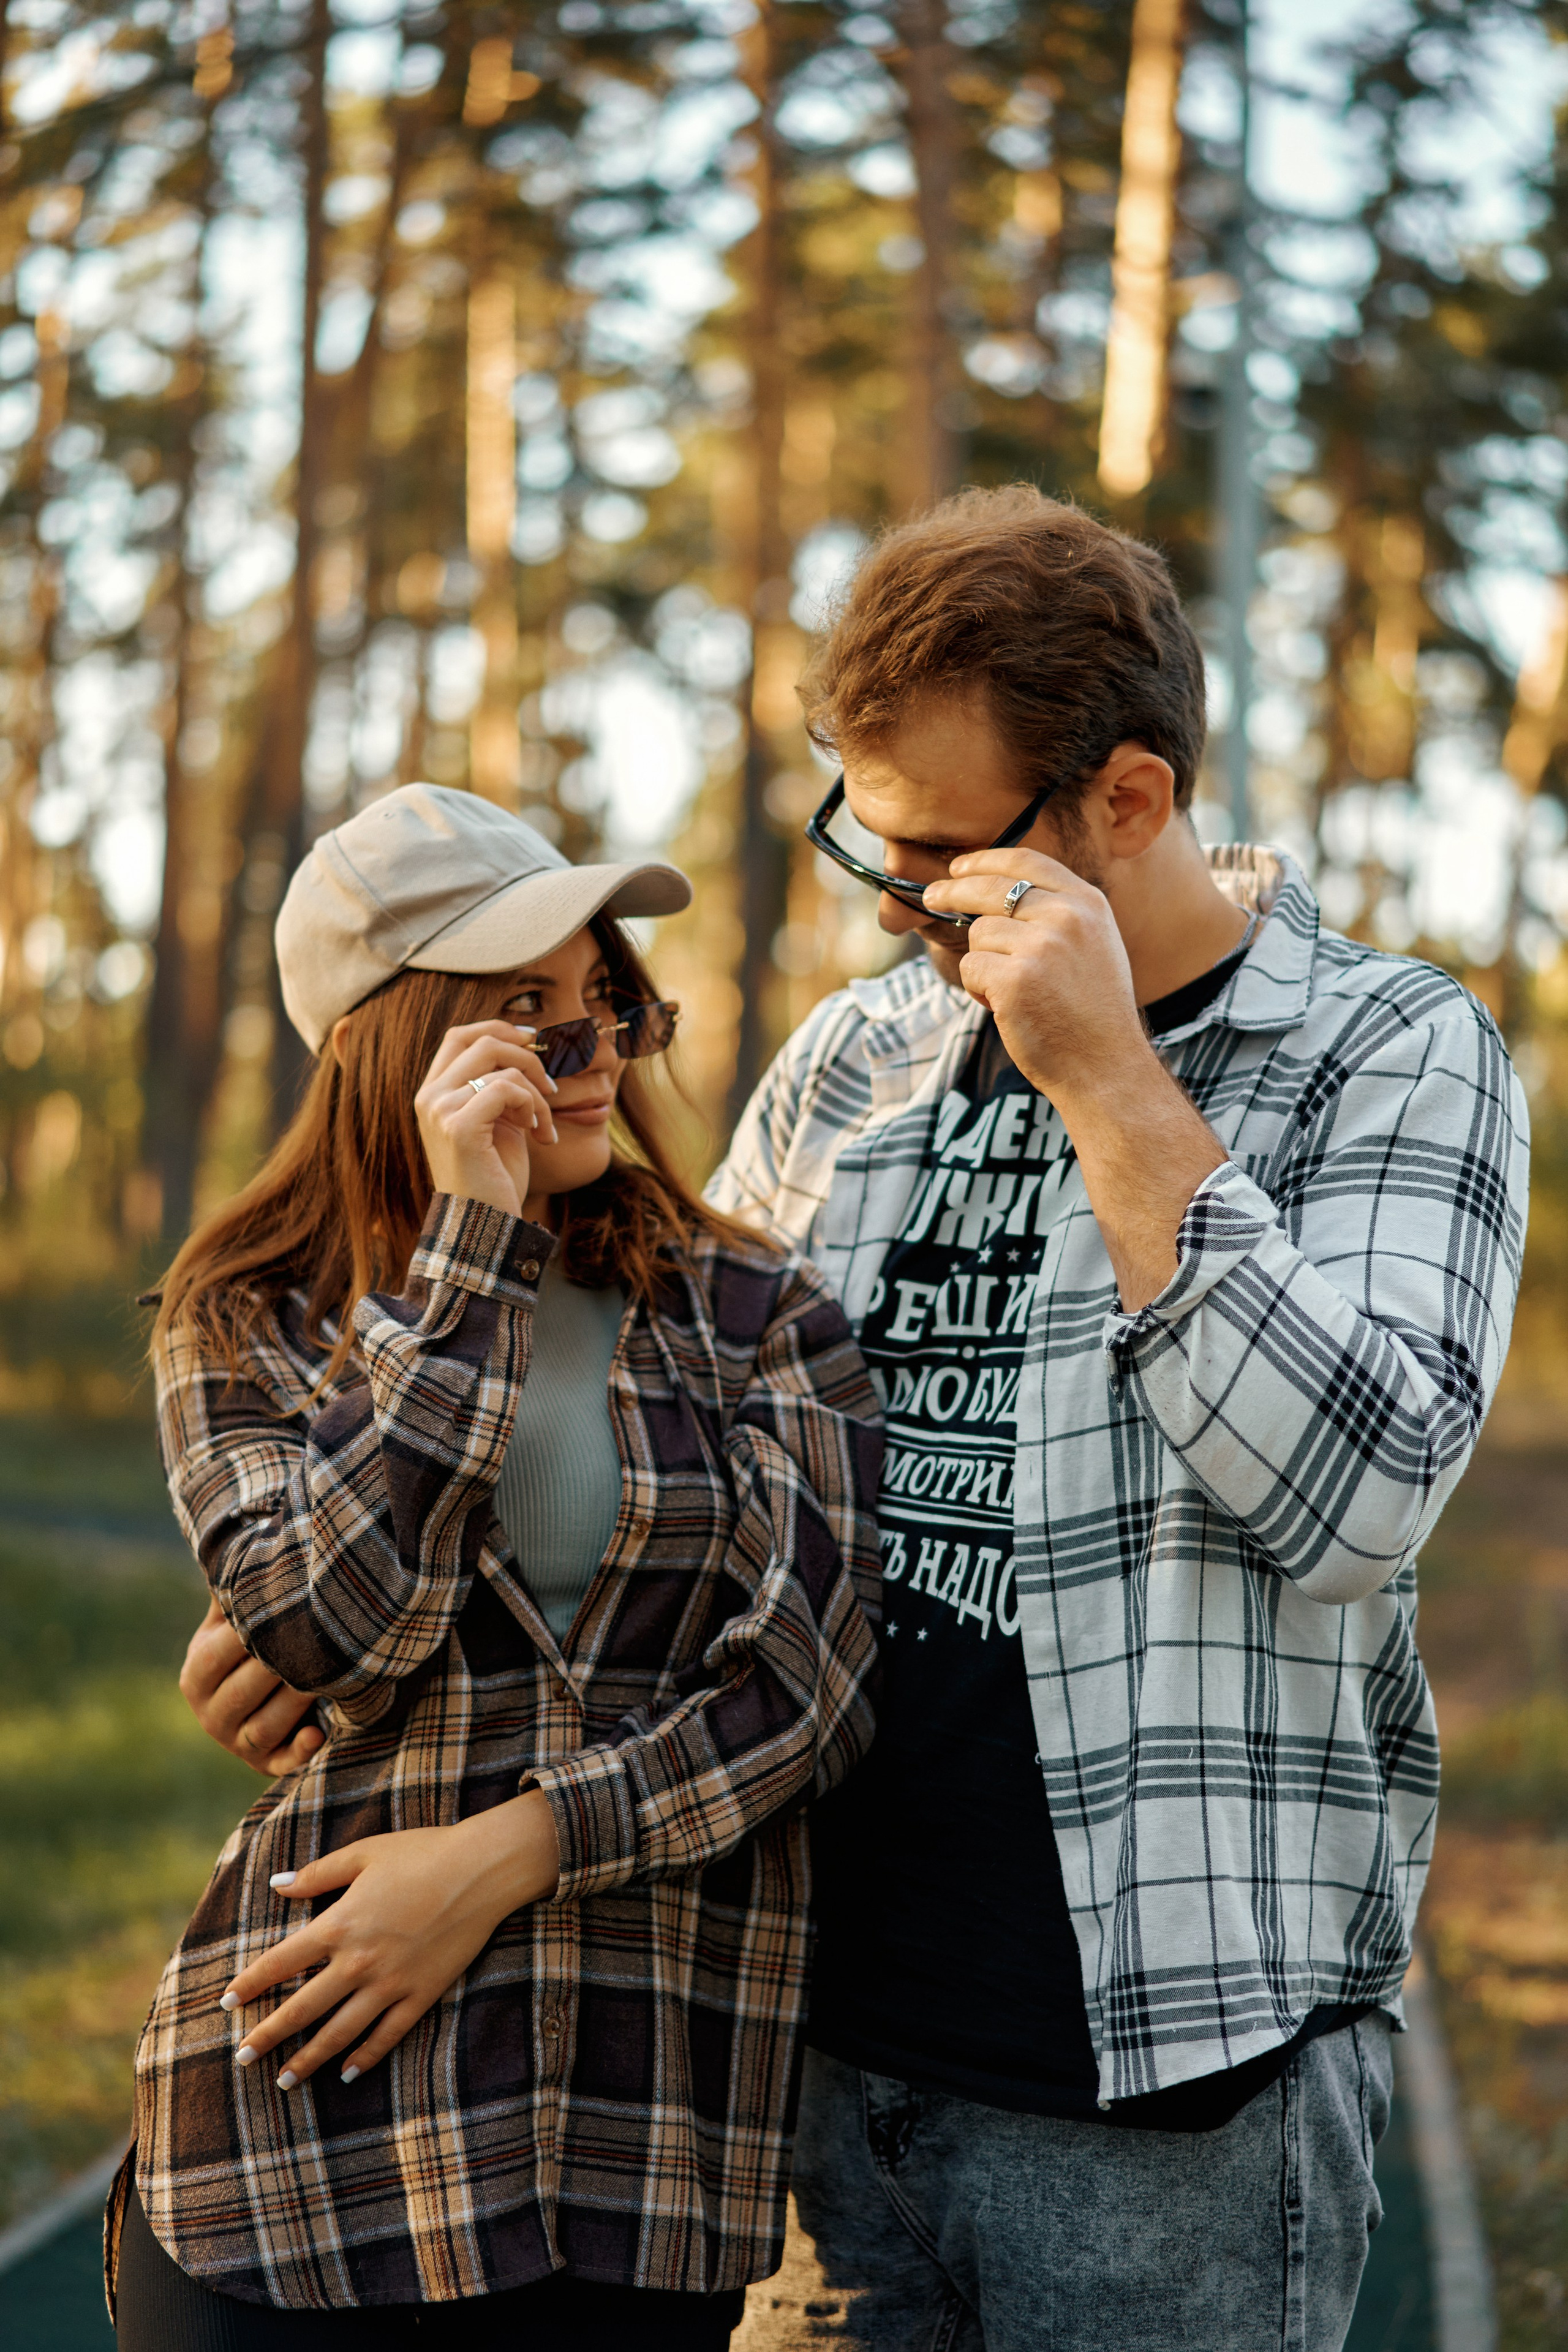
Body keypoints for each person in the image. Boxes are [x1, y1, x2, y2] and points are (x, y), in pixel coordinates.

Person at [699, 486, 1527, 2351]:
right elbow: (696, 1470)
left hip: (1176, 2103)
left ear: (1127, 803)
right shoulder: (854, 1056)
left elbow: (1366, 1496)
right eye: (867, 844)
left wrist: (1108, 1081)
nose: (895, 903)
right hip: (822, 2066)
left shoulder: (1393, 1051)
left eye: (936, 860)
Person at [115, 784, 881, 2351]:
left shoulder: (753, 1313)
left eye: (600, 1002)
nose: (587, 1049)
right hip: (299, 2151)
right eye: (523, 1016)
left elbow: (810, 1693)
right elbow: (329, 1631)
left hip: (638, 2158)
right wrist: (473, 1256)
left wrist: (511, 1852)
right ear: (385, 1049)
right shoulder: (246, 1313)